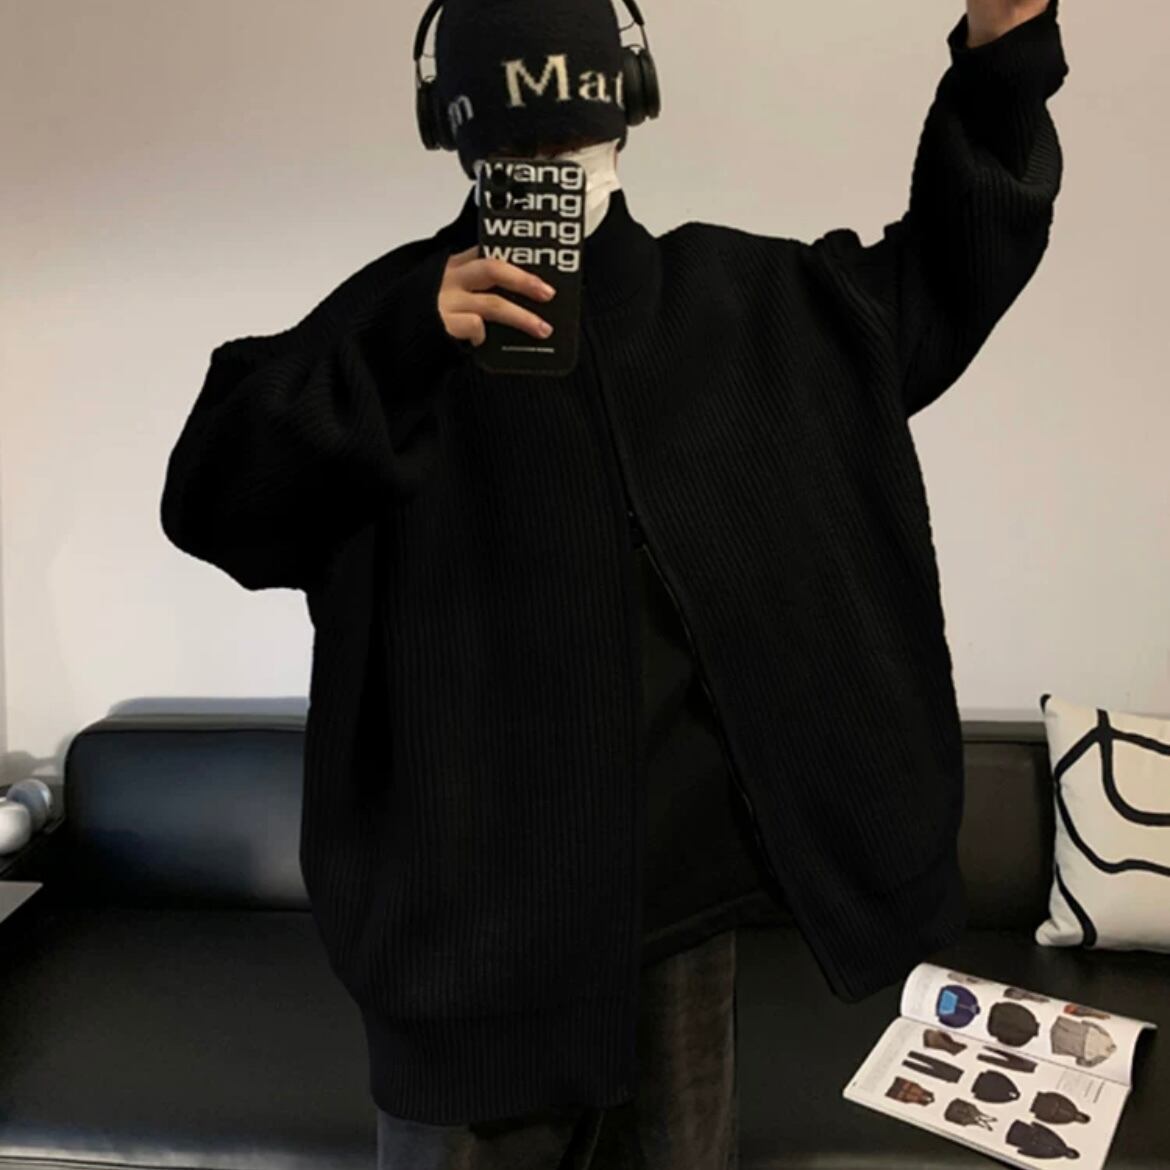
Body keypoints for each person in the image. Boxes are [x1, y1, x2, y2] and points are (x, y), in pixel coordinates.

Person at [159, 0, 1069, 1167]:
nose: (551, 163)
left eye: (569, 131)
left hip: (681, 922)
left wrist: (1006, 49)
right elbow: (214, 501)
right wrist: (397, 342)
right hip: (467, 961)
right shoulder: (391, 331)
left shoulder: (755, 310)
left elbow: (950, 268)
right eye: (521, 138)